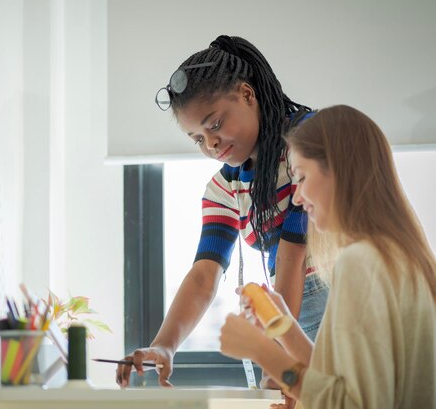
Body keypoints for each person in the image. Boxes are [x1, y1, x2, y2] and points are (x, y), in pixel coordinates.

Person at [116, 35, 329, 388]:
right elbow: (203, 276)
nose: (210, 144)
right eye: (197, 138)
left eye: (214, 125)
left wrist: (275, 366)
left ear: (247, 94)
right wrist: (164, 346)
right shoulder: (224, 188)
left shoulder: (308, 143)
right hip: (295, 328)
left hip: (348, 320)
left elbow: (292, 253)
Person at [219, 105, 436, 409]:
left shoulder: (362, 262)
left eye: (302, 177)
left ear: (338, 170)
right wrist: (285, 326)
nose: (296, 197)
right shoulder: (399, 257)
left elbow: (353, 403)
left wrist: (261, 351)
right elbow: (342, 381)